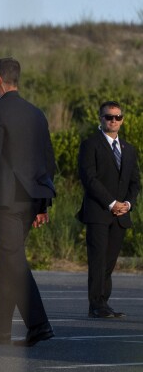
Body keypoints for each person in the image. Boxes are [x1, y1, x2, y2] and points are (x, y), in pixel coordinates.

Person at [0, 57, 56, 347]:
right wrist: (42, 205)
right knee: (4, 261)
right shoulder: (36, 114)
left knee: (12, 262)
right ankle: (0, 330)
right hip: (30, 200)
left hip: (6, 200)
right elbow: (47, 161)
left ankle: (39, 324)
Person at [77, 101, 140, 318]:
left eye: (117, 117)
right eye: (108, 117)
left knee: (110, 261)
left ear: (122, 120)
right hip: (98, 212)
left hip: (121, 215)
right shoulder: (90, 145)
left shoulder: (129, 150)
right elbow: (89, 178)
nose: (113, 120)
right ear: (100, 118)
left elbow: (135, 182)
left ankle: (104, 302)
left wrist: (127, 204)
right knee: (98, 260)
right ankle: (95, 305)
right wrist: (111, 203)